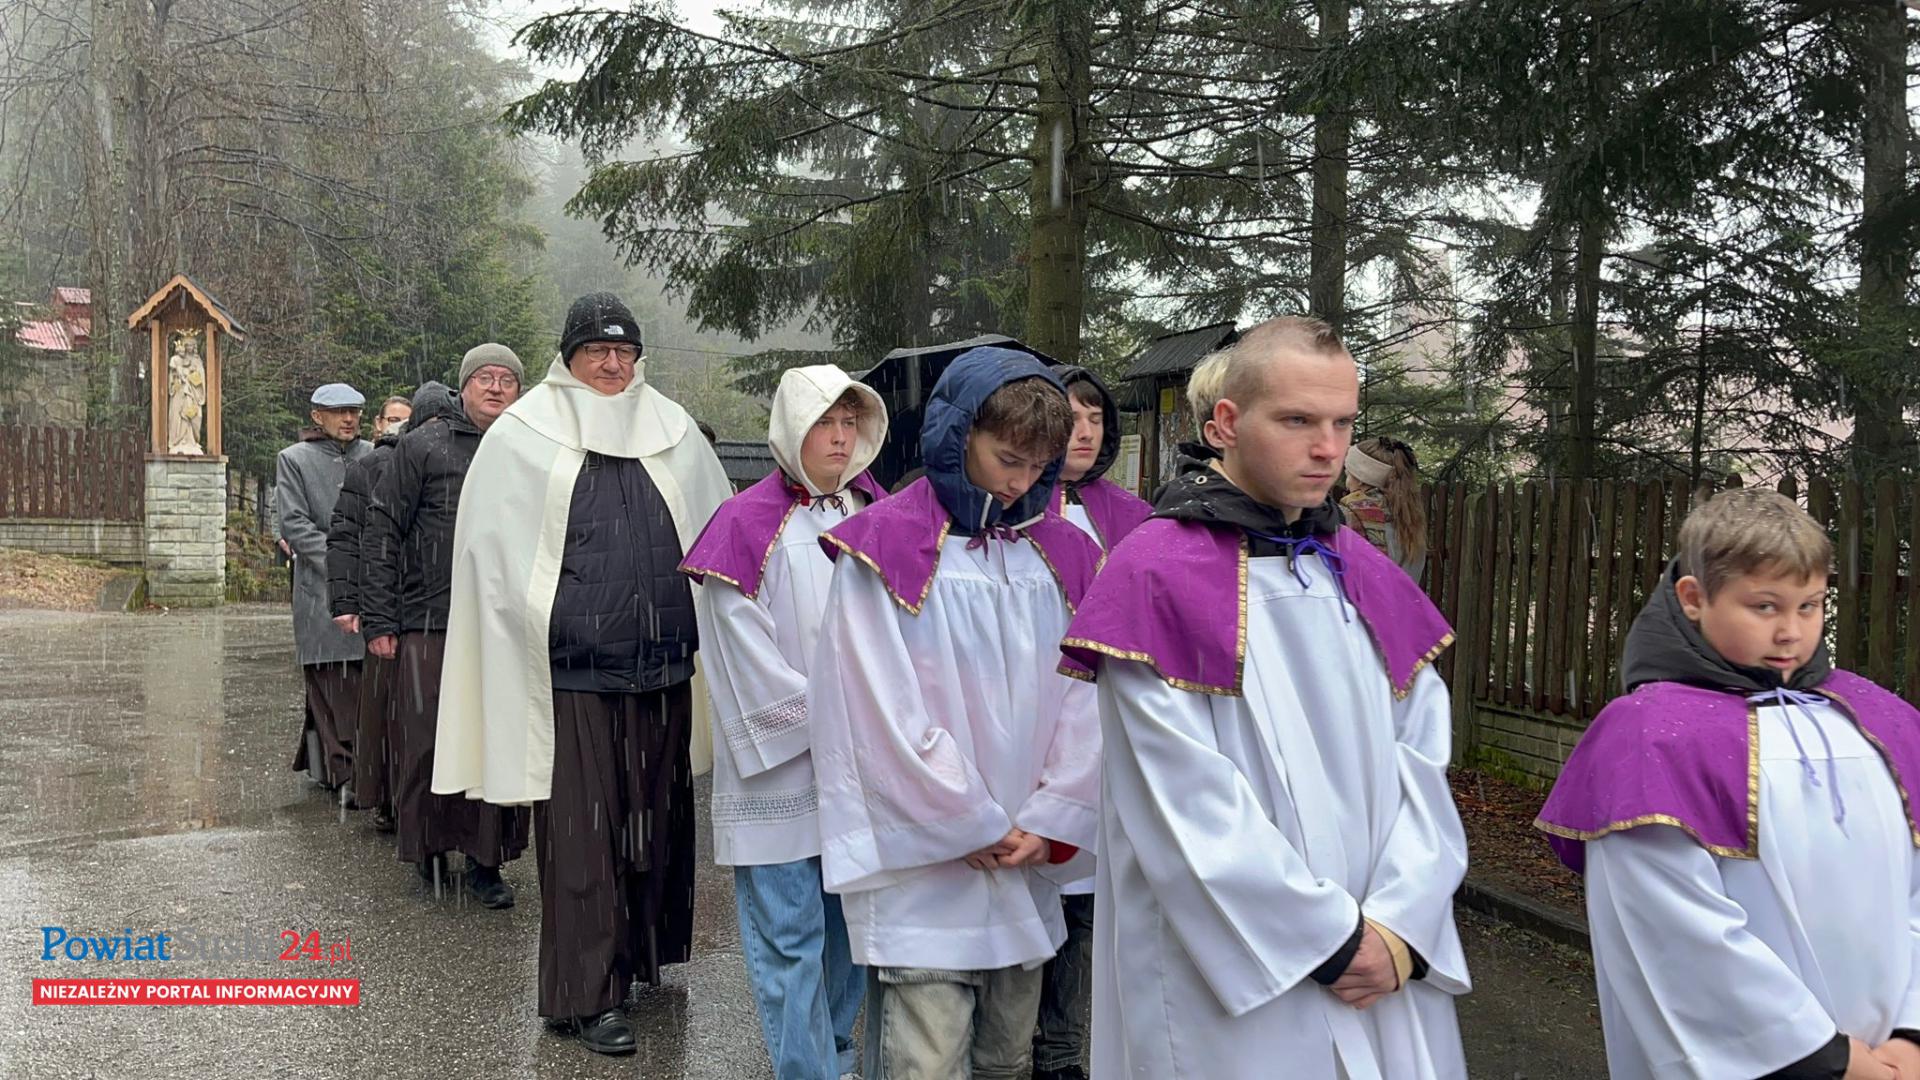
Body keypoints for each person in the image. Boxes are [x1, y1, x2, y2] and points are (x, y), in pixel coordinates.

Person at [1061, 316, 1471, 1080]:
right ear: (1225, 423)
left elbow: (1423, 758)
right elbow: (1180, 799)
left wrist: (1402, 923)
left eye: (1343, 423)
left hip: (1383, 950)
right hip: (1231, 973)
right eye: (1297, 421)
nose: (1327, 449)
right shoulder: (1154, 574)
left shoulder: (1360, 570)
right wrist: (1330, 941)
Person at [431, 294, 731, 1056]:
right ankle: (581, 996)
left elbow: (717, 538)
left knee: (653, 828)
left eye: (624, 351)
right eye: (596, 350)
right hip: (571, 676)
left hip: (663, 667)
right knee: (583, 840)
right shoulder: (524, 434)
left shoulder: (673, 430)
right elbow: (490, 558)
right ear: (569, 357)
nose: (612, 363)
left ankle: (635, 960)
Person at [1537, 489, 1920, 1080]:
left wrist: (1911, 1035)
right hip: (1777, 1063)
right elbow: (1671, 932)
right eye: (1765, 607)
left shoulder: (1881, 719)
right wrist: (1828, 1060)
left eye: (1810, 606)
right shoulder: (1648, 737)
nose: (1791, 632)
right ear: (1694, 598)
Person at [809, 346, 1103, 1080]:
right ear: (958, 434)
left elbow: (1089, 698)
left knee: (1007, 1059)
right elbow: (873, 705)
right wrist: (965, 820)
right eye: (1007, 458)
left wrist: (1052, 819)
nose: (1021, 482)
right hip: (927, 870)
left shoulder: (1065, 556)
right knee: (927, 1062)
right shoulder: (884, 549)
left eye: (1039, 466)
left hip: (1026, 857)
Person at [680, 365, 888, 1079]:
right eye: (824, 422)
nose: (839, 437)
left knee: (850, 933)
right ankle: (806, 1070)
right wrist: (842, 716)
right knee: (789, 937)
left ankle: (834, 1056)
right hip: (782, 772)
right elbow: (743, 655)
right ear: (792, 428)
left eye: (849, 422)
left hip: (861, 769)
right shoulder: (743, 525)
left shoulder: (882, 516)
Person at [361, 349, 531, 907]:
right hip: (429, 617)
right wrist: (380, 618)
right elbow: (383, 529)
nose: (496, 387)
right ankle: (428, 848)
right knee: (426, 741)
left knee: (495, 742)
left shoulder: (528, 445)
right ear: (464, 387)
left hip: (502, 623)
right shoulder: (423, 445)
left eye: (507, 380)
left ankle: (487, 860)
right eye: (485, 377)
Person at [1033, 365, 1151, 1080]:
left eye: (1096, 417)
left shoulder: (1136, 519)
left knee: (1089, 900)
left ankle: (1062, 1049)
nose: (1084, 430)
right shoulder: (1013, 509)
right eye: (1071, 416)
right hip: (1038, 713)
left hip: (1109, 722)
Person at [276, 382, 373, 792]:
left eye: (354, 411)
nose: (348, 419)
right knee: (330, 679)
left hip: (370, 584)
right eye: (338, 412)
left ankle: (341, 767)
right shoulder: (294, 459)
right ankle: (344, 772)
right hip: (320, 589)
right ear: (317, 416)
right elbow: (294, 524)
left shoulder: (372, 455)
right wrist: (341, 561)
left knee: (362, 684)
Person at [325, 392, 413, 832]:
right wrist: (347, 600)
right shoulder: (371, 467)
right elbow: (346, 535)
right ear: (379, 424)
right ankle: (383, 795)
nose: (398, 426)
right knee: (381, 707)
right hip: (386, 602)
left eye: (405, 419)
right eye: (391, 419)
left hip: (423, 604)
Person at [1341, 436, 1428, 583]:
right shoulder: (1410, 519)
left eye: (1348, 475)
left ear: (1361, 478)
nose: (1347, 484)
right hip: (1405, 598)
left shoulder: (1348, 514)